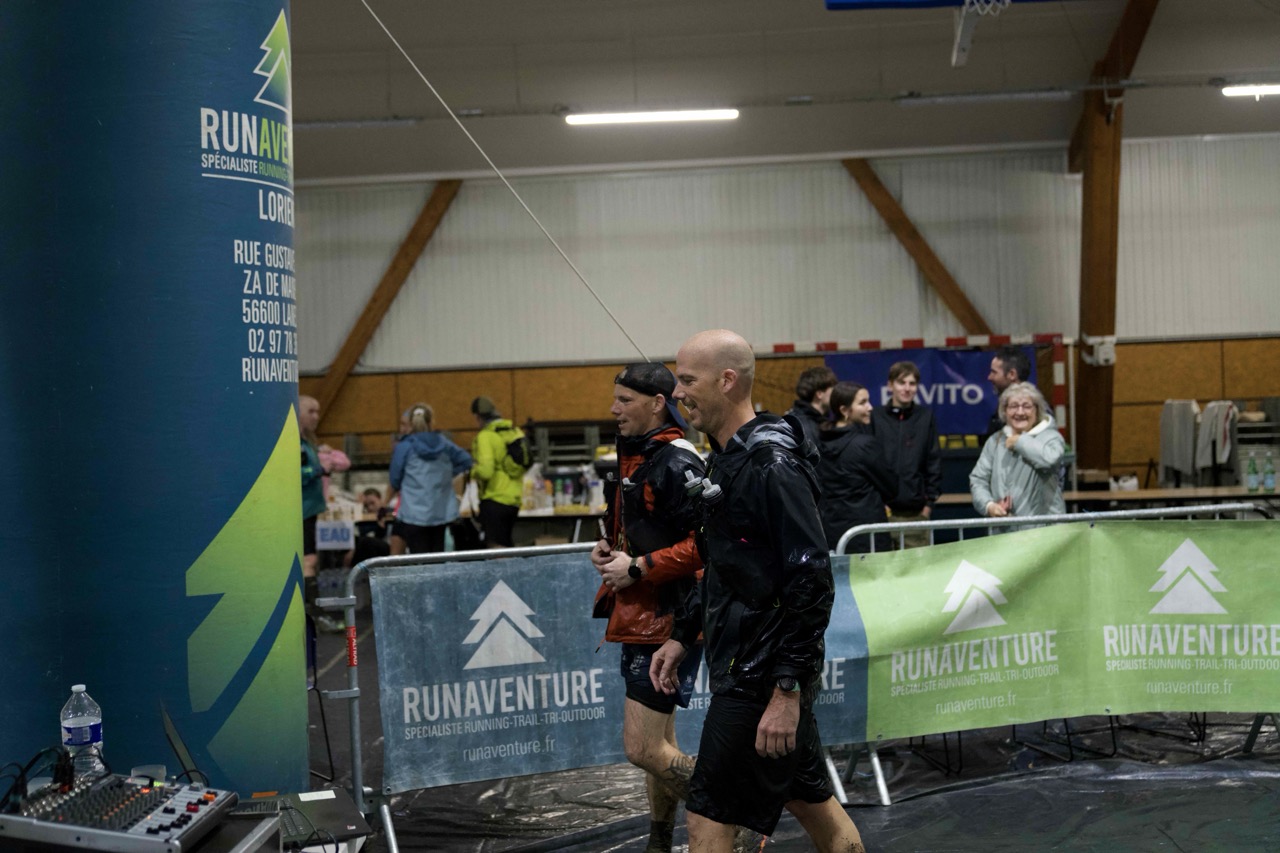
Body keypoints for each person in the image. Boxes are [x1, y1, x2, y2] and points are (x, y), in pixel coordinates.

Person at [651, 330, 864, 853]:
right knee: (815, 806)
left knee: (708, 819)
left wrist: (786, 690)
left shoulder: (772, 465)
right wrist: (683, 633)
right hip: (751, 669)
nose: (676, 393)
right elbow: (725, 568)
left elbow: (812, 580)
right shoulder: (729, 459)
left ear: (727, 381)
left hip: (760, 680)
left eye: (687, 380)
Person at [590, 362, 706, 853]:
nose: (613, 409)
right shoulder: (636, 453)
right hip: (645, 615)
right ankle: (659, 842)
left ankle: (731, 813)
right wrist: (609, 548)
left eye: (625, 400)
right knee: (662, 743)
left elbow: (707, 545)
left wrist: (637, 568)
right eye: (614, 399)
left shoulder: (678, 461)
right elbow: (639, 527)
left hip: (671, 618)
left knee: (643, 747)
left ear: (658, 403)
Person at [970, 381, 1066, 526]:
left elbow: (1050, 460)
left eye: (1027, 406)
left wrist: (1020, 442)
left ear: (1037, 410)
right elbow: (978, 479)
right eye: (1013, 406)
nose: (1020, 412)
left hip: (1043, 531)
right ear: (1004, 411)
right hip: (1005, 530)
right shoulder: (995, 441)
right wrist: (989, 505)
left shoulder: (1051, 437)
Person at [817, 382, 897, 554]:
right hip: (867, 537)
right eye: (862, 403)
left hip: (834, 534)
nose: (870, 407)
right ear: (844, 410)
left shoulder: (820, 442)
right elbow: (891, 487)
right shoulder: (864, 445)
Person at [870, 361, 941, 549]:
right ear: (890, 385)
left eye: (912, 383)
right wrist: (877, 502)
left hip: (916, 514)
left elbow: (933, 460)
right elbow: (869, 464)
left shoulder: (925, 417)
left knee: (919, 566)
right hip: (881, 514)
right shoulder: (875, 417)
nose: (907, 388)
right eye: (902, 382)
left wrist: (928, 505)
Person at [389, 403, 473, 554]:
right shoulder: (445, 444)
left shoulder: (404, 447)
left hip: (413, 513)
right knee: (437, 554)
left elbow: (395, 479)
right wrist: (448, 473)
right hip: (440, 510)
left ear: (412, 423)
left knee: (418, 556)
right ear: (431, 421)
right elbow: (467, 460)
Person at [299, 394, 342, 632]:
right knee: (309, 561)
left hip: (310, 509)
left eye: (318, 411)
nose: (316, 416)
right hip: (301, 510)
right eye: (311, 411)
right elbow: (292, 473)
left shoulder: (308, 442)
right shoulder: (295, 442)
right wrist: (318, 469)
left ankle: (313, 615)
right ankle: (316, 616)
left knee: (309, 561)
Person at [469, 396, 525, 548]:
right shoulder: (513, 432)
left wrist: (472, 470)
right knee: (506, 544)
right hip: (513, 499)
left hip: (495, 499)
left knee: (496, 548)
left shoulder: (486, 436)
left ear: (477, 417)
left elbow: (486, 471)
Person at [985, 346, 1032, 440]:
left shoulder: (1035, 411)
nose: (989, 377)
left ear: (1012, 374)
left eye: (994, 372)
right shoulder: (1002, 405)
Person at [786, 366, 838, 448]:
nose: (836, 394)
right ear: (819, 394)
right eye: (833, 390)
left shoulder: (814, 420)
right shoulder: (804, 427)